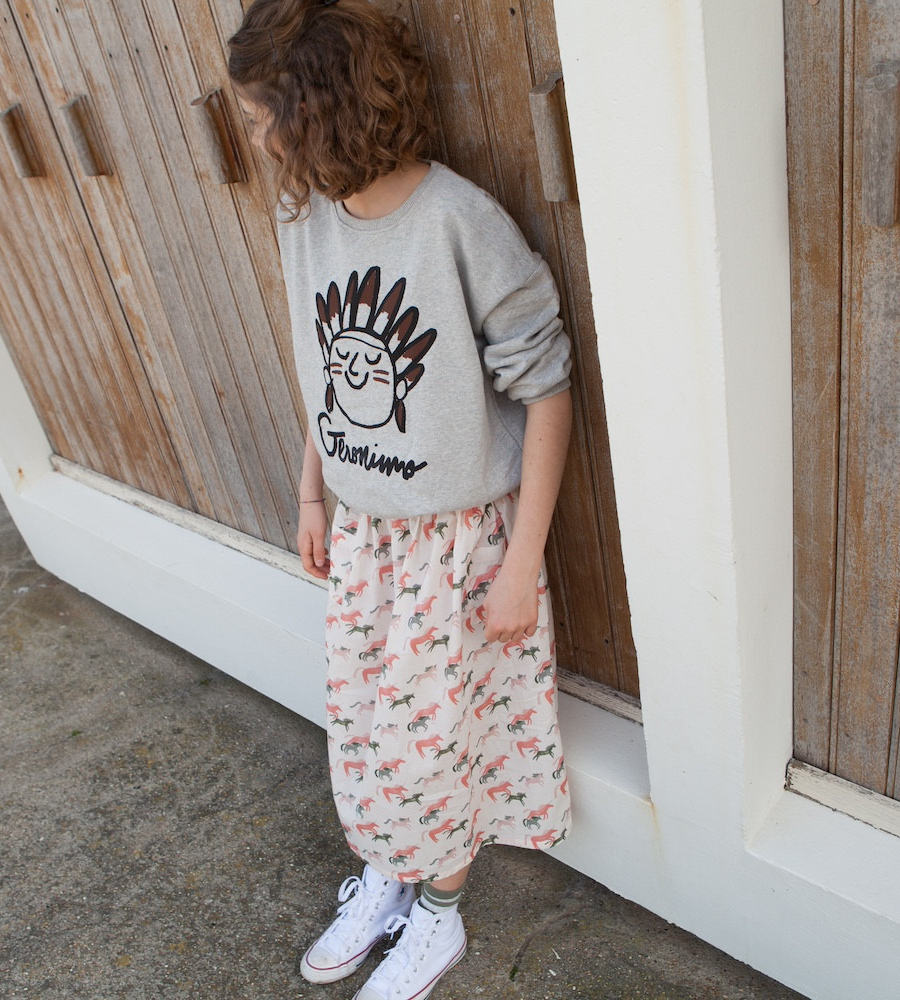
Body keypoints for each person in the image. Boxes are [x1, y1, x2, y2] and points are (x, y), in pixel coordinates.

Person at [228, 2, 574, 997]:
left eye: (263, 118)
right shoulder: (307, 223)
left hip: (455, 552)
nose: (258, 141)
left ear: (316, 111)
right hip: (366, 539)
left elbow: (547, 388)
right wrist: (313, 492)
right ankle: (390, 870)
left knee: (441, 747)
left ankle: (439, 916)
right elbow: (326, 376)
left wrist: (521, 565)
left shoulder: (457, 222)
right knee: (367, 735)